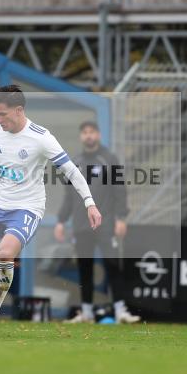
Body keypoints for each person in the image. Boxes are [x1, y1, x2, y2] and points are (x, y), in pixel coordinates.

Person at [0, 85, 102, 338]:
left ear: (19, 110)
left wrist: (90, 203)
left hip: (27, 208)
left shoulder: (41, 138)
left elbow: (71, 171)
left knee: (5, 254)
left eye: (3, 114)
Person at [54, 120, 139, 324]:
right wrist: (61, 220)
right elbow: (69, 195)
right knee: (84, 268)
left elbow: (120, 190)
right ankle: (87, 312)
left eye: (92, 132)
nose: (88, 136)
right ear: (81, 136)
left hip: (106, 224)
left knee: (112, 266)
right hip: (81, 225)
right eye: (85, 132)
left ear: (98, 135)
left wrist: (121, 217)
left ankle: (120, 311)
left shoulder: (109, 159)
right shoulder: (74, 162)